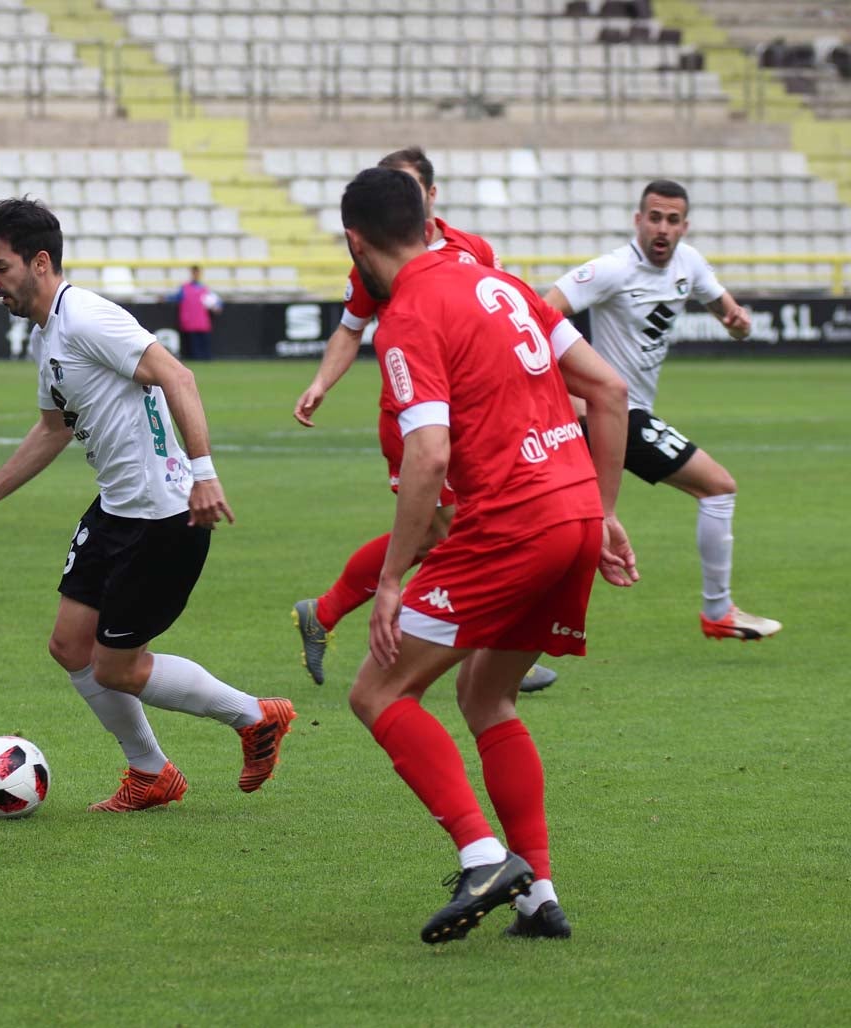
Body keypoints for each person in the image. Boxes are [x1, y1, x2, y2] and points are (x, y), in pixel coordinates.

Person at [340, 167, 637, 943]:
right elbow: (608, 392)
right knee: (486, 698)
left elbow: (429, 456)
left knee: (377, 692)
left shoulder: (407, 314)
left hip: (511, 524)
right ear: (429, 217)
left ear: (356, 243)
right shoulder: (500, 283)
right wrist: (603, 512)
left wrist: (394, 577)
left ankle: (483, 858)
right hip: (573, 509)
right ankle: (538, 897)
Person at [0, 198, 295, 812]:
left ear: (40, 262)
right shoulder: (49, 336)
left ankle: (255, 717)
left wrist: (204, 475)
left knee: (116, 668)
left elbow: (177, 376)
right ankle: (152, 773)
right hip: (117, 511)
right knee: (70, 647)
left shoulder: (87, 318)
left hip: (163, 519)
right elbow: (53, 427)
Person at [292, 147, 558, 693]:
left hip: (477, 416)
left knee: (438, 535)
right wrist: (321, 382)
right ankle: (495, 645)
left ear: (430, 196)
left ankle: (324, 610)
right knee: (455, 531)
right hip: (415, 416)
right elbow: (350, 328)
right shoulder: (373, 261)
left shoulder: (474, 250)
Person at [543, 179, 781, 641]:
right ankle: (719, 612)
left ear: (684, 227)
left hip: (623, 413)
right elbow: (540, 312)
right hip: (614, 414)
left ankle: (514, 641)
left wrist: (736, 323)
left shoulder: (689, 263)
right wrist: (569, 390)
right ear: (638, 220)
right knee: (718, 487)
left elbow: (728, 313)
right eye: (654, 217)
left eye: (672, 220)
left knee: (565, 529)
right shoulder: (611, 269)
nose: (662, 228)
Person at [167, 265, 222, 360]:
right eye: (194, 272)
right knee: (194, 348)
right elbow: (175, 297)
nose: (195, 274)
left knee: (204, 347)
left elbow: (216, 302)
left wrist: (217, 307)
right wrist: (165, 298)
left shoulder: (204, 289)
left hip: (202, 322)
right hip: (190, 322)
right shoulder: (185, 288)